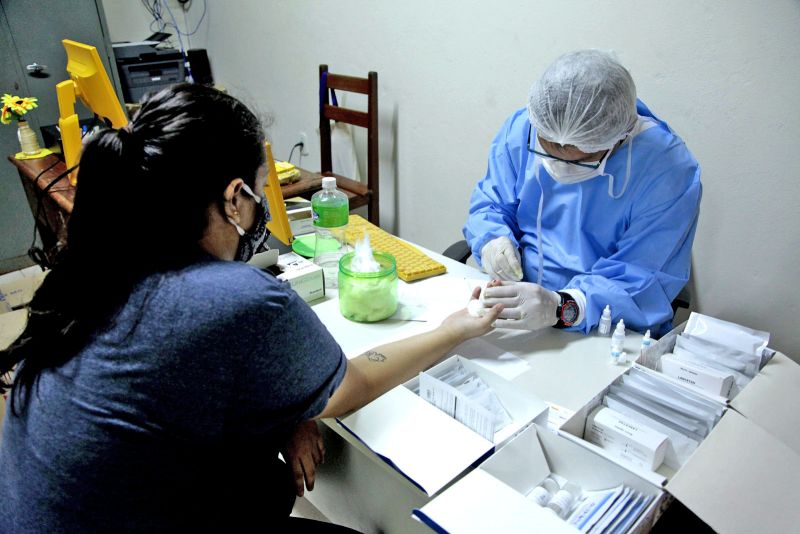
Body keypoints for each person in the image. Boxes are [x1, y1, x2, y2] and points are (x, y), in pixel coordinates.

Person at [0, 84, 501, 532]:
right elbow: (351, 387)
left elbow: (174, 381)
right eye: (262, 191)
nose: (262, 205)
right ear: (235, 198)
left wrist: (292, 412)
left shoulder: (87, 273)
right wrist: (456, 328)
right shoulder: (239, 298)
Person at [466, 50, 701, 337]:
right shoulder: (524, 127)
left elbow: (642, 279)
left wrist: (562, 306)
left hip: (606, 325)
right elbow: (490, 202)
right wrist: (492, 239)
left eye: (579, 158)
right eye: (547, 147)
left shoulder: (667, 171)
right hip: (514, 306)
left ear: (619, 136)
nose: (560, 164)